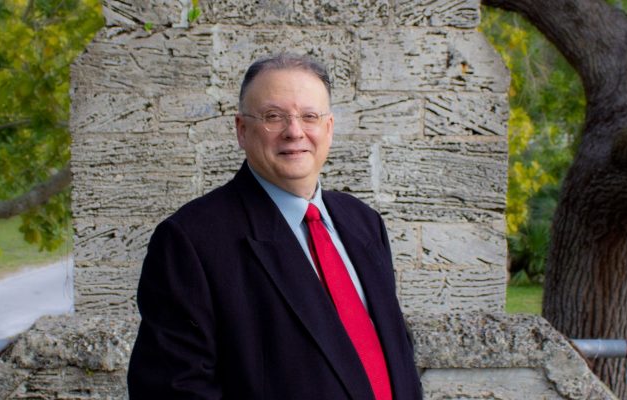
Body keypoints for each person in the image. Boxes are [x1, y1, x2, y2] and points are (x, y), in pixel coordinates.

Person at [127, 53, 422, 399]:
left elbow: (395, 355)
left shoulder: (364, 223)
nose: (294, 132)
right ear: (241, 129)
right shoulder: (191, 241)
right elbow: (173, 391)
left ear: (328, 128)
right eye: (273, 117)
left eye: (309, 116)